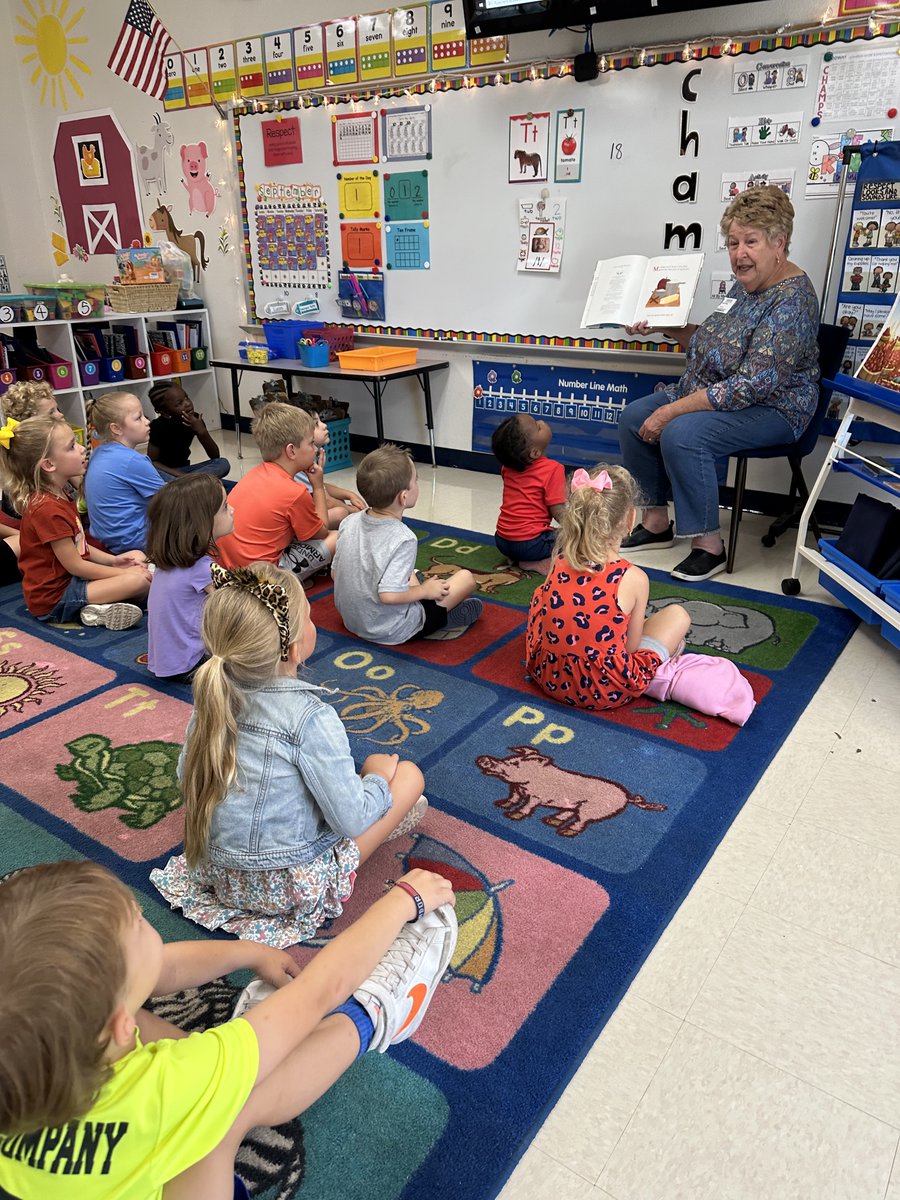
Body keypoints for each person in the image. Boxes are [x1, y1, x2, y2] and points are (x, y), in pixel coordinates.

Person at [0, 858, 456, 1199]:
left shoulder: (27, 1052)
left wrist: (249, 952)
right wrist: (403, 901)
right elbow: (318, 991)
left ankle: (235, 1055)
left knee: (129, 1010)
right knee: (236, 1103)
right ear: (115, 1028)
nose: (140, 912)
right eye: (136, 922)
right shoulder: (167, 1088)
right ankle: (375, 1016)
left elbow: (157, 971)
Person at [151, 561, 430, 947]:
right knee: (409, 776)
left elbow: (188, 779)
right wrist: (377, 779)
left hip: (215, 873)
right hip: (287, 889)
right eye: (309, 617)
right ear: (295, 648)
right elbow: (349, 820)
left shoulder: (210, 700)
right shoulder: (311, 718)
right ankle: (379, 815)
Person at [618, 185, 819, 582]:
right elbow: (712, 340)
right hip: (721, 390)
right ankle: (656, 523)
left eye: (750, 242)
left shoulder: (793, 300)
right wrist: (661, 325)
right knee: (632, 419)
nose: (739, 254)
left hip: (775, 407)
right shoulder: (748, 285)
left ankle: (709, 545)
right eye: (732, 243)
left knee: (682, 433)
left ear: (779, 243)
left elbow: (752, 384)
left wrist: (672, 410)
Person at [526, 464, 691, 711]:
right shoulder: (634, 577)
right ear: (630, 518)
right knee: (678, 615)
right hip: (606, 691)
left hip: (549, 676)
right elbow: (631, 648)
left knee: (544, 598)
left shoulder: (559, 561)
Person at [0, 415, 150, 628]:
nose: (81, 449)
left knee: (137, 557)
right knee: (138, 581)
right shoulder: (46, 509)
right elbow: (76, 566)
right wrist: (123, 573)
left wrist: (114, 561)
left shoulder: (60, 494)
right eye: (71, 446)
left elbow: (79, 545)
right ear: (49, 464)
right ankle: (91, 608)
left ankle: (98, 608)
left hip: (73, 581)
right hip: (55, 597)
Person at [332, 444, 483, 644]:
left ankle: (426, 604)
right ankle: (439, 622)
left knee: (410, 572)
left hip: (352, 620)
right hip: (391, 629)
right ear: (404, 496)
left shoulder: (349, 521)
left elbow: (336, 573)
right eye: (416, 481)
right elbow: (389, 596)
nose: (418, 484)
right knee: (466, 578)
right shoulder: (404, 538)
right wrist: (425, 591)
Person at [216, 403, 337, 581]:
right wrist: (318, 486)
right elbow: (323, 532)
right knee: (338, 537)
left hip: (228, 567)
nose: (315, 449)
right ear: (291, 451)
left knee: (338, 514)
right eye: (311, 443)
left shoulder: (255, 473)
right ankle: (290, 583)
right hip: (258, 577)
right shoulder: (294, 492)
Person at [146, 474, 234, 681]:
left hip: (164, 661)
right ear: (202, 523)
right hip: (191, 663)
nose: (232, 510)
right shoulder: (201, 568)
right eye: (224, 507)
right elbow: (233, 607)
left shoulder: (168, 561)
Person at [83, 392, 164, 555]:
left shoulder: (98, 451)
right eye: (138, 418)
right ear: (116, 428)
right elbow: (171, 501)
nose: (147, 421)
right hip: (137, 541)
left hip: (110, 540)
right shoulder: (131, 460)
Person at [491, 413, 567, 575]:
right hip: (531, 544)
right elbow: (559, 512)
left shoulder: (507, 468)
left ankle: (518, 557)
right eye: (538, 427)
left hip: (502, 540)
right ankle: (535, 562)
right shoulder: (553, 469)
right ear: (535, 453)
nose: (541, 421)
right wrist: (579, 528)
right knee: (570, 538)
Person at [294, 407, 365, 528]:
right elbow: (326, 500)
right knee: (341, 512)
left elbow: (320, 485)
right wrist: (355, 512)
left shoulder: (307, 454)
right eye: (316, 424)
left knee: (340, 502)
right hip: (296, 520)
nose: (324, 425)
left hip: (302, 511)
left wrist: (349, 494)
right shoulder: (302, 462)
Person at [146, 381, 231, 482]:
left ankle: (190, 484)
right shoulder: (158, 426)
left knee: (222, 463)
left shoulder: (195, 419)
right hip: (166, 473)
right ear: (165, 412)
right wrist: (180, 475)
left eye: (186, 398)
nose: (187, 404)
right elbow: (153, 462)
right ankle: (193, 484)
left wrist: (202, 432)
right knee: (221, 485)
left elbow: (215, 456)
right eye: (179, 403)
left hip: (186, 471)